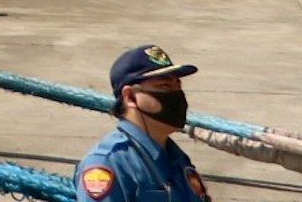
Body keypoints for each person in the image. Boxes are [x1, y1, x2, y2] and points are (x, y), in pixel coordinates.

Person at [78, 46, 210, 202]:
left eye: (178, 86)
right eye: (164, 86)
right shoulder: (108, 163)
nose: (177, 95)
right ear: (130, 97)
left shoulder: (178, 158)